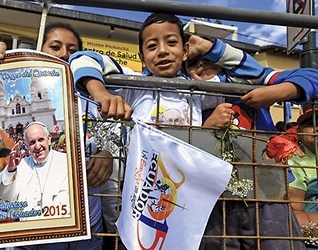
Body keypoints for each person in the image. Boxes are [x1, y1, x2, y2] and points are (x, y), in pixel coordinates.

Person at [69, 12, 311, 249]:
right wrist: (101, 92)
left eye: (172, 43)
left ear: (185, 51)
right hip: (145, 192)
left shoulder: (196, 90)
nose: (162, 50)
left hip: (185, 194)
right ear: (142, 57)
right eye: (152, 46)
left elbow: (253, 74)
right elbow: (82, 58)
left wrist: (210, 48)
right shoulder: (133, 84)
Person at [0, 22, 115, 250]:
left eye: (72, 50)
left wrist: (107, 154)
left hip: (84, 226)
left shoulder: (90, 99)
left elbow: (109, 139)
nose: (64, 54)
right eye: (55, 46)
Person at [184, 52, 318, 131]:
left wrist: (274, 93)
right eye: (192, 62)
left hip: (267, 169)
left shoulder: (249, 79)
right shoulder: (183, 99)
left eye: (210, 58)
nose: (201, 64)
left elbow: (312, 75)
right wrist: (208, 127)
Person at [0, 121, 70, 220]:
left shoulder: (66, 161)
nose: (37, 147)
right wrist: (11, 169)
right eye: (32, 143)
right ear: (27, 146)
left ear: (49, 139)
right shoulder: (22, 164)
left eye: (40, 140)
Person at [288, 108, 318, 249]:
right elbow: (294, 218)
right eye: (311, 123)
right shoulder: (295, 162)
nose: (317, 127)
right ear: (298, 132)